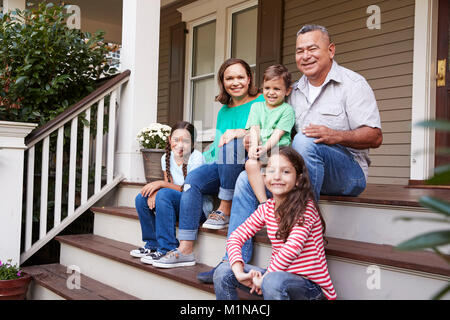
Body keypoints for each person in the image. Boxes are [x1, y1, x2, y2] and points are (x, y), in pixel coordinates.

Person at [199, 24, 383, 284]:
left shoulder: (352, 84)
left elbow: (375, 136)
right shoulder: (292, 91)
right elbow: (275, 130)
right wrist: (250, 136)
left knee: (305, 142)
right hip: (302, 169)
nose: (305, 55)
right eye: (300, 50)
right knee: (244, 181)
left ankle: (303, 231)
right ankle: (232, 263)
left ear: (331, 50)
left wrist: (335, 135)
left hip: (347, 172)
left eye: (312, 48)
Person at [152, 58, 264, 269]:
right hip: (225, 162)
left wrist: (241, 134)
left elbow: (269, 131)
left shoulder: (261, 101)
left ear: (249, 79)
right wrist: (206, 166)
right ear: (223, 82)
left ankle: (225, 207)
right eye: (229, 78)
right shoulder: (224, 111)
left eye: (240, 77)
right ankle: (185, 248)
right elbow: (217, 144)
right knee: (194, 179)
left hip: (252, 161)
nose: (235, 82)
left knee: (231, 146)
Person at [214, 147, 336, 300]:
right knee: (223, 271)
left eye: (286, 172)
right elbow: (235, 237)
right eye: (271, 171)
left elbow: (291, 249)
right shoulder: (266, 208)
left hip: (310, 288)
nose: (277, 176)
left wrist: (265, 279)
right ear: (264, 178)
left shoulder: (306, 208)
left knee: (272, 281)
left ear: (298, 180)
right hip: (276, 278)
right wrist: (239, 272)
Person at [130, 121, 205, 265]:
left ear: (193, 143)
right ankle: (152, 245)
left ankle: (167, 248)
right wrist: (156, 191)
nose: (180, 145)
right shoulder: (166, 158)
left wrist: (161, 185)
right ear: (170, 140)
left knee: (164, 194)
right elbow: (169, 186)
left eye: (186, 141)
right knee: (142, 198)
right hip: (177, 204)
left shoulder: (197, 158)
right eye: (176, 140)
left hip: (196, 209)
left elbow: (190, 191)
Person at [245, 64, 295, 204]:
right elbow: (254, 128)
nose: (271, 92)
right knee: (250, 164)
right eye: (267, 88)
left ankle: (280, 202)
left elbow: (278, 134)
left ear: (287, 91)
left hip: (279, 150)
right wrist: (254, 147)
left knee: (276, 169)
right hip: (262, 150)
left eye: (277, 89)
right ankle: (264, 203)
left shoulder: (287, 110)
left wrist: (265, 147)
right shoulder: (256, 107)